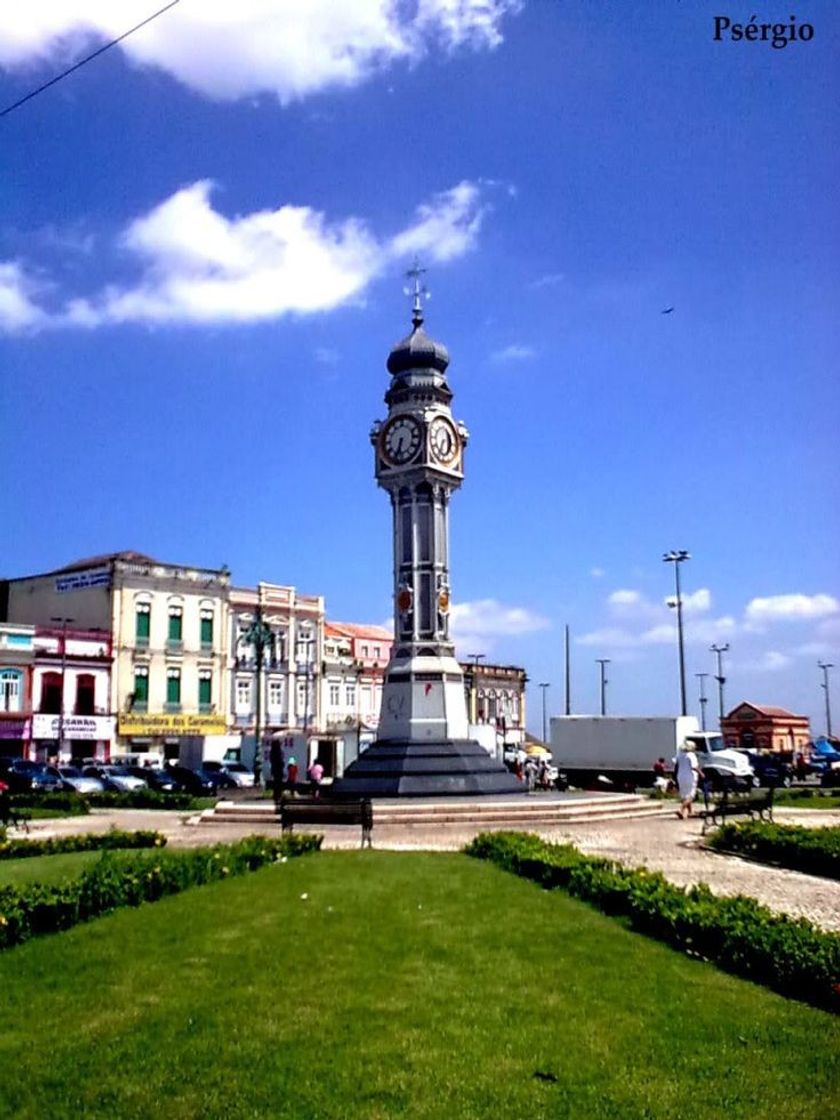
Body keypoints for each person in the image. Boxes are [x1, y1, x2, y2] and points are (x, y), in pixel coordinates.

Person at [673, 742, 703, 819]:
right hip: (690, 776)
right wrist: (701, 773)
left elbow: (676, 767)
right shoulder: (691, 755)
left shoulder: (679, 755)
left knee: (685, 795)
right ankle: (681, 809)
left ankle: (690, 812)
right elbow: (694, 767)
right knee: (691, 796)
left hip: (680, 776)